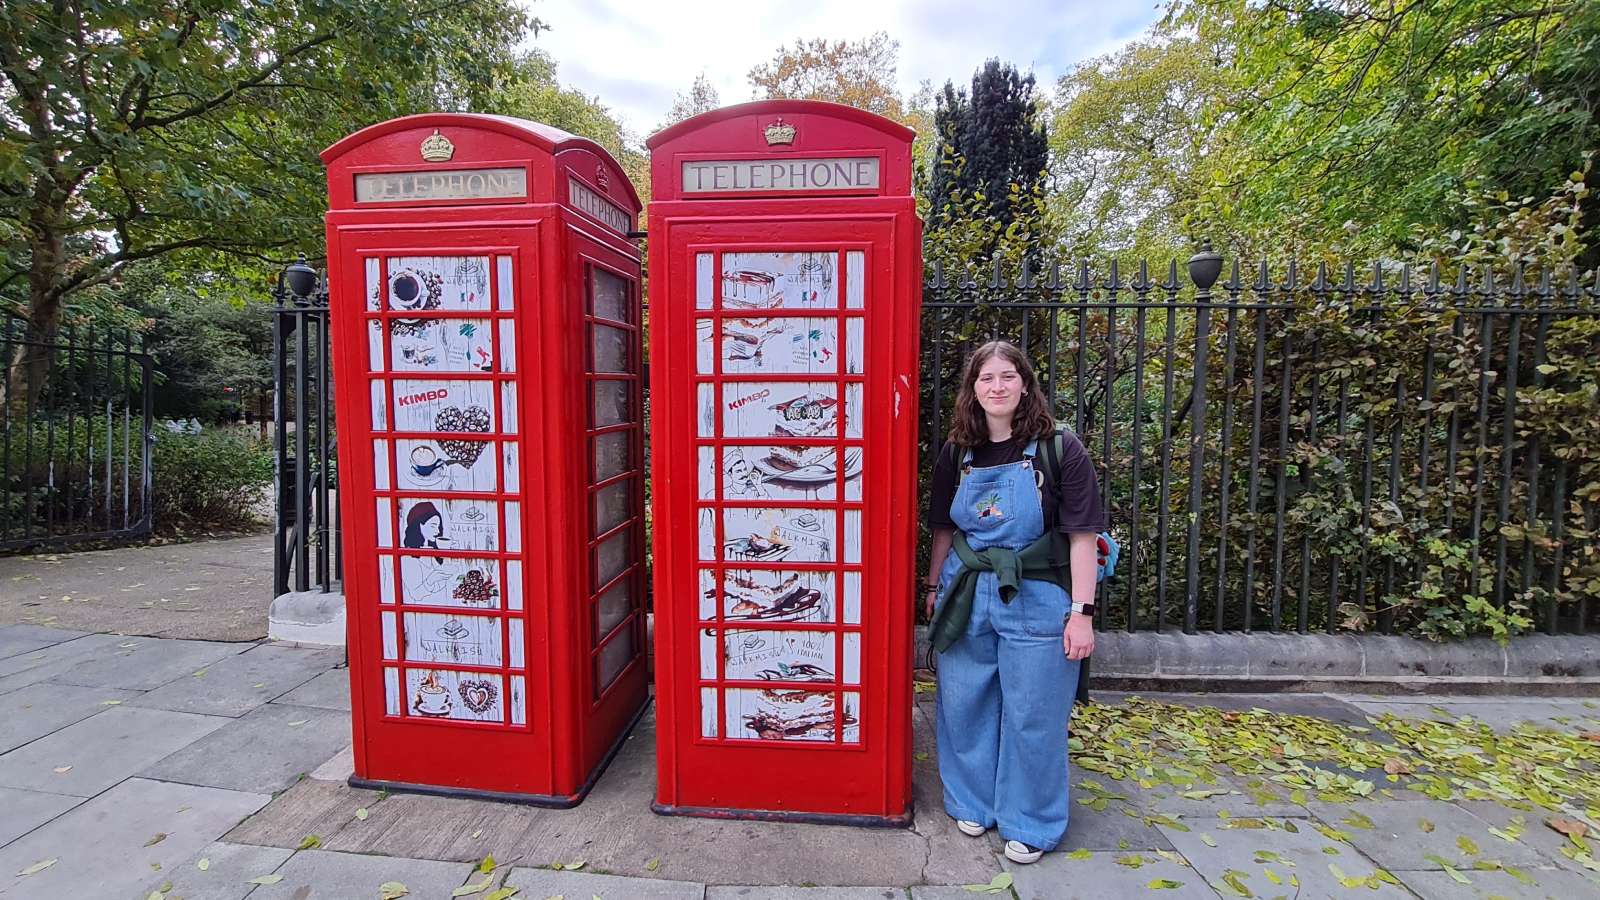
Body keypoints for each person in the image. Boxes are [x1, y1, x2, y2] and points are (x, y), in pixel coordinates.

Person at [923, 340, 1104, 864]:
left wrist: (1082, 614)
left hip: (1039, 592)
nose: (996, 387)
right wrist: (934, 589)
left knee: (1035, 712)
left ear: (1025, 383)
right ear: (972, 389)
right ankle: (973, 802)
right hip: (966, 590)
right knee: (964, 703)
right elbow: (942, 528)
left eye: (1007, 376)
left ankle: (1031, 821)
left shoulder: (1060, 448)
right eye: (986, 378)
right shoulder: (958, 451)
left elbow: (1083, 535)